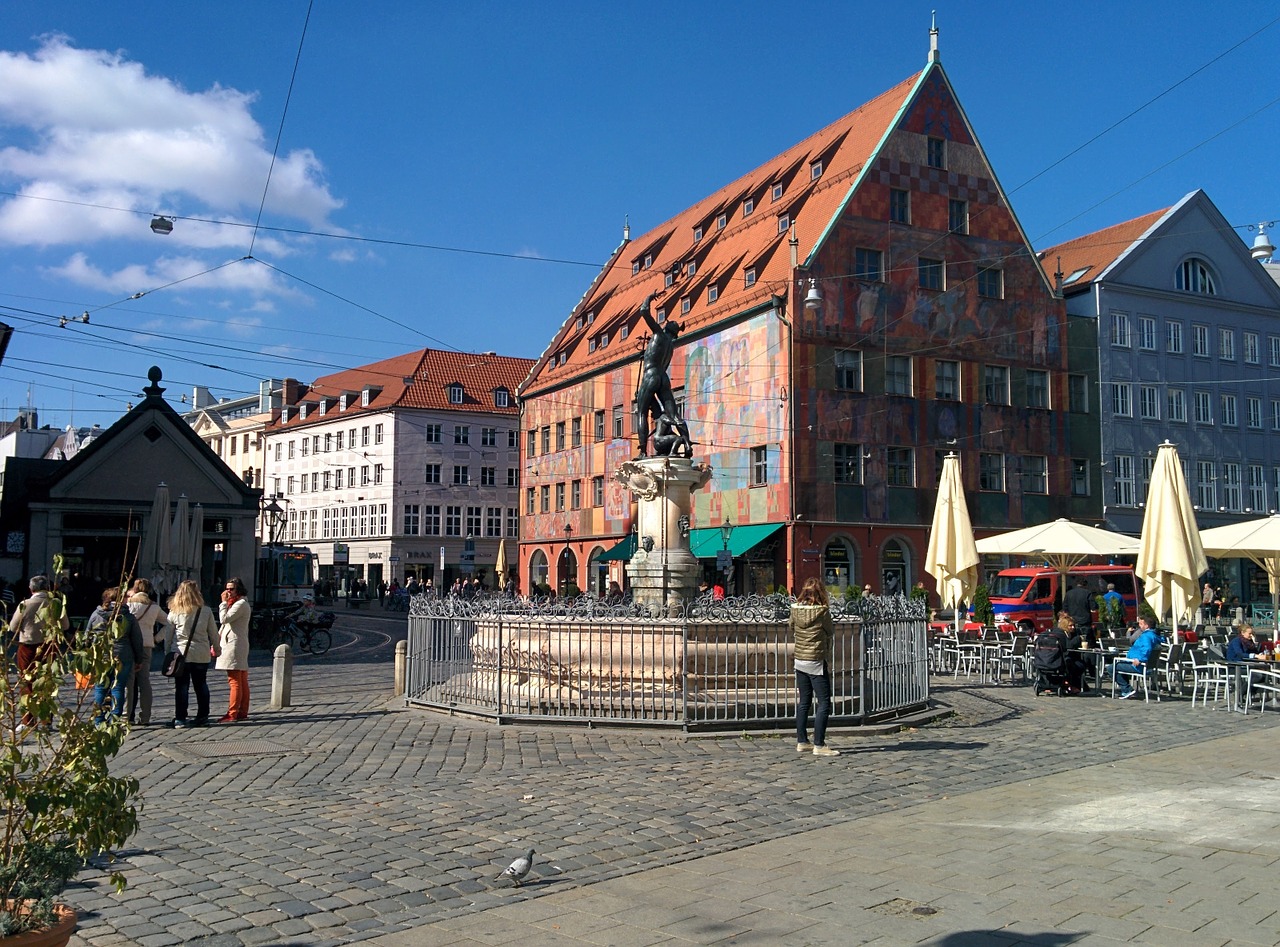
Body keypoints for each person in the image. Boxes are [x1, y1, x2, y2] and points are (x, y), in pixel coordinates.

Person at [10, 575, 71, 729]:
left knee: (27, 682)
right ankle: (46, 720)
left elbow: (13, 626)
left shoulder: (25, 604)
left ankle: (28, 720)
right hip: (49, 645)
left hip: (28, 646)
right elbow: (65, 625)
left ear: (31, 589)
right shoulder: (55, 603)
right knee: (47, 683)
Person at [633, 294, 691, 457]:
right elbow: (659, 361)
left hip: (651, 374)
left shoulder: (658, 334)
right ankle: (687, 445)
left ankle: (643, 451)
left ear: (666, 329)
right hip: (663, 377)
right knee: (674, 414)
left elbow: (644, 311)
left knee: (642, 412)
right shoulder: (670, 347)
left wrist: (649, 298)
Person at [790, 577, 839, 757]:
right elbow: (830, 631)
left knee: (804, 701)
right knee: (824, 702)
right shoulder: (822, 612)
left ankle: (802, 741)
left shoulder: (795, 610)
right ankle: (819, 743)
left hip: (800, 659)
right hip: (816, 660)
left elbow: (791, 627)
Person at [165, 579, 219, 728]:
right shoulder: (205, 610)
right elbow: (213, 633)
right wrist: (217, 649)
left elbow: (168, 635)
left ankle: (180, 718)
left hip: (181, 654)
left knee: (181, 687)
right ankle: (203, 716)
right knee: (201, 685)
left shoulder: (175, 611)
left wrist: (167, 652)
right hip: (201, 654)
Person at [90, 587, 144, 723]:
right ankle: (115, 718)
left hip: (101, 654)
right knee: (118, 687)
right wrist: (139, 659)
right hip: (123, 654)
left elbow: (87, 636)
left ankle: (98, 719)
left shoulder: (96, 614)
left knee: (100, 687)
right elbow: (137, 639)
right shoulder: (128, 617)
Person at [125, 578, 172, 727]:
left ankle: (127, 717)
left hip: (129, 645)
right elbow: (170, 624)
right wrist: (157, 638)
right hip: (146, 645)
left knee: (129, 682)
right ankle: (145, 716)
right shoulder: (154, 607)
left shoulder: (128, 604)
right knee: (144, 682)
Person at [216, 577, 251, 723]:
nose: (228, 592)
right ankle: (241, 711)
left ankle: (233, 712)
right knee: (241, 679)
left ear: (239, 590)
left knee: (235, 680)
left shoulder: (240, 604)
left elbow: (224, 619)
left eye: (231, 589)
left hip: (234, 645)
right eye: (227, 588)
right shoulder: (237, 603)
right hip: (235, 643)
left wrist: (223, 603)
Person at [1112, 615, 1163, 699]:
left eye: (1141, 624)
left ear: (1146, 626)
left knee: (1112, 667)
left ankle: (1127, 690)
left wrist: (1140, 659)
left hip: (1139, 666)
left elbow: (1147, 648)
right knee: (1120, 665)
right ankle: (1127, 689)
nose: (1139, 626)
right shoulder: (1154, 635)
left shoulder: (1146, 636)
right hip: (1146, 666)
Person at [1063, 578, 1095, 644]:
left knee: (1074, 641)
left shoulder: (1069, 593)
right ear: (1085, 585)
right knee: (1087, 642)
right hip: (1085, 621)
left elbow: (1065, 608)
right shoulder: (1087, 593)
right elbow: (1093, 606)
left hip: (1072, 621)